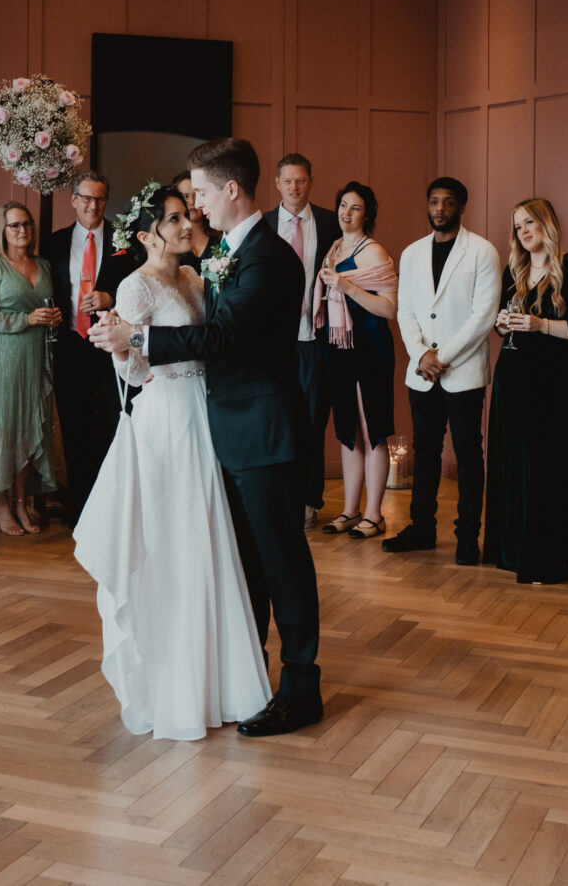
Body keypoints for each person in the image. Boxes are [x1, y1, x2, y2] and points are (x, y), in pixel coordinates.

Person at [91, 137, 321, 737]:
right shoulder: (226, 251)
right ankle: (251, 678)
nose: (195, 207)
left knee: (282, 561)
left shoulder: (268, 259)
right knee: (246, 564)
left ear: (231, 190)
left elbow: (223, 341)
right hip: (222, 430)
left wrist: (137, 340)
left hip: (265, 431)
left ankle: (302, 687)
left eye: (199, 194)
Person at [74, 183, 271, 739]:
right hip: (167, 419)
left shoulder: (192, 276)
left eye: (188, 215)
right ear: (146, 233)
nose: (189, 225)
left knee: (209, 538)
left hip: (204, 413)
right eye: (175, 219)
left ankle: (220, 681)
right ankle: (174, 684)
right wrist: (118, 348)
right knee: (174, 541)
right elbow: (136, 374)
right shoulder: (134, 288)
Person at [387, 177, 499, 565]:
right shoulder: (412, 253)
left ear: (461, 206)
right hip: (421, 373)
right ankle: (422, 528)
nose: (439, 208)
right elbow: (406, 311)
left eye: (448, 202)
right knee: (426, 450)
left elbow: (482, 316)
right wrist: (420, 355)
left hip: (463, 371)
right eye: (434, 201)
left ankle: (468, 536)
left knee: (468, 453)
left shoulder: (482, 251)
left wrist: (441, 356)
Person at [483, 199, 568, 584]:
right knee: (511, 461)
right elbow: (502, 325)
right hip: (512, 374)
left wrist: (539, 324)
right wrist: (501, 323)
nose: (523, 231)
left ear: (547, 223)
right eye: (517, 226)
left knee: (546, 465)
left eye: (530, 222)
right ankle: (509, 551)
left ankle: (544, 559)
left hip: (552, 380)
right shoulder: (516, 270)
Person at [0, 203, 60, 535]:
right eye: (15, 225)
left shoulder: (43, 265)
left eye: (27, 224)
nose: (23, 230)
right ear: (1, 231)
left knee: (29, 433)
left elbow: (50, 307)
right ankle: (2, 505)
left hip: (37, 358)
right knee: (4, 434)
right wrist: (27, 319)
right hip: (3, 360)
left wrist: (52, 318)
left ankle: (22, 503)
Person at [42, 171, 133, 515]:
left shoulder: (124, 240)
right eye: (86, 198)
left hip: (111, 343)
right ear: (74, 200)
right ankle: (82, 506)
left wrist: (109, 297)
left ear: (106, 201)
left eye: (99, 199)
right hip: (68, 344)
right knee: (74, 424)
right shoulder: (54, 243)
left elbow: (139, 282)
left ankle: (113, 507)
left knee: (113, 420)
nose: (92, 205)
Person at [316, 181, 397, 540]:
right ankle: (349, 510)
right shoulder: (334, 248)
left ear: (368, 214)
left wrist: (347, 286)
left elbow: (390, 309)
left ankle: (374, 514)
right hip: (339, 346)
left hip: (371, 348)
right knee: (348, 432)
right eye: (343, 205)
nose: (346, 213)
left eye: (356, 208)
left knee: (372, 430)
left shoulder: (373, 253)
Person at [264, 153, 337, 526]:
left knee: (311, 421)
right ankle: (279, 499)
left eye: (301, 181)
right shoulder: (261, 225)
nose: (294, 187)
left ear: (311, 181)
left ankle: (309, 500)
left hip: (314, 338)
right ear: (277, 183)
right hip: (272, 342)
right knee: (277, 419)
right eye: (287, 181)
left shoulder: (329, 223)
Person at [173, 169, 218, 271]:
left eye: (197, 195)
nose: (192, 201)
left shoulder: (220, 235)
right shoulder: (172, 241)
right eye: (185, 196)